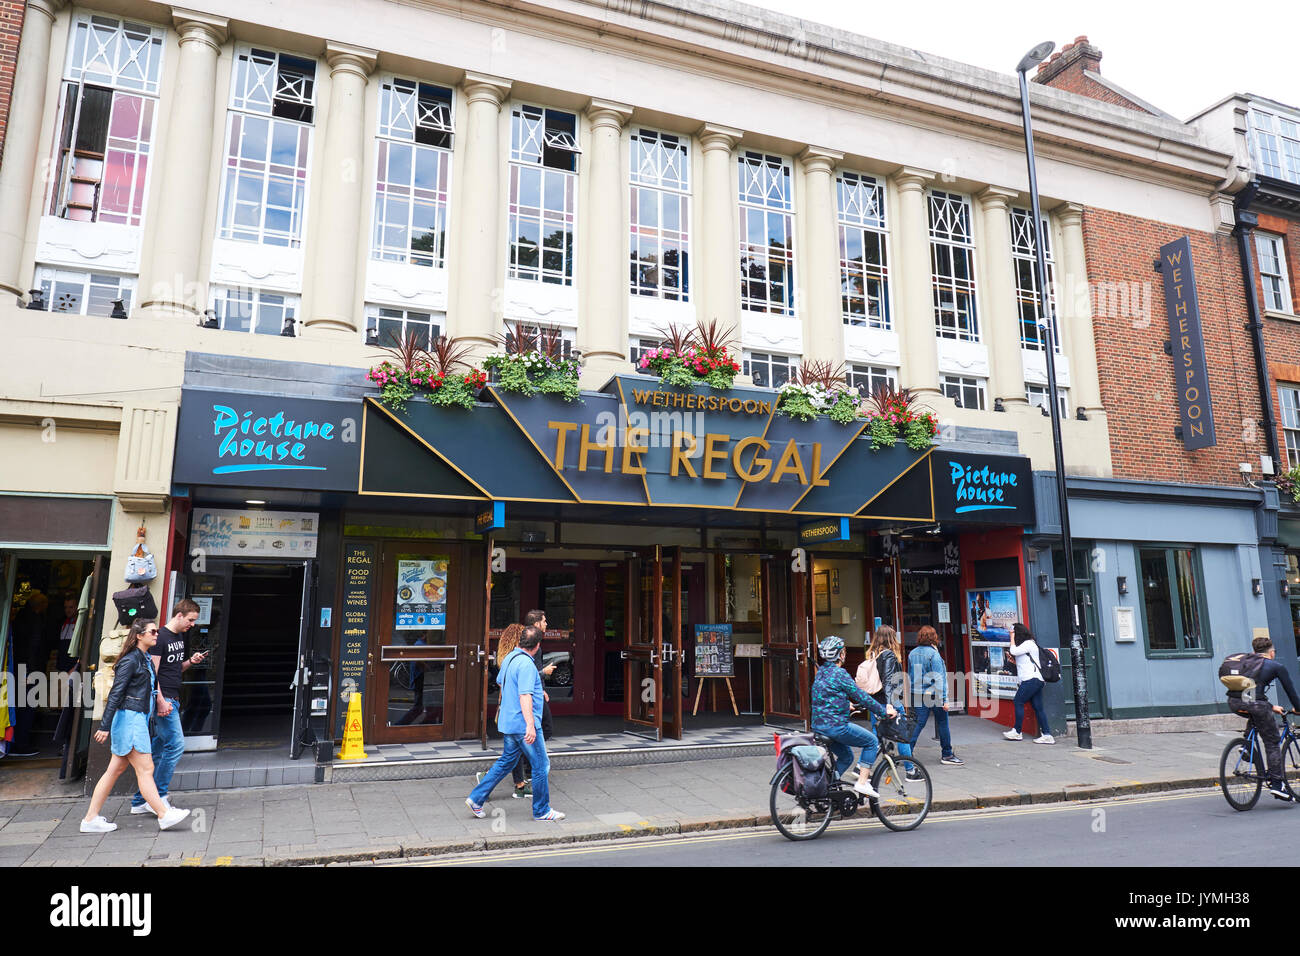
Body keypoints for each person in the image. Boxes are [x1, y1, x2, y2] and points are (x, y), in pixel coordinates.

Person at [81, 620, 191, 833]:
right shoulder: (131, 660)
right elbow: (116, 693)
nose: (156, 634)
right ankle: (164, 814)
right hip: (130, 719)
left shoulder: (145, 658)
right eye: (152, 631)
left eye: (157, 631)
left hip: (135, 719)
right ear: (139, 635)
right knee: (146, 768)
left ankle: (90, 818)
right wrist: (104, 726)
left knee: (114, 770)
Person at [466, 625, 566, 822]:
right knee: (541, 765)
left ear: (520, 641)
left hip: (509, 722)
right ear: (537, 645)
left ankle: (476, 799)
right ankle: (542, 811)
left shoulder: (510, 658)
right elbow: (525, 696)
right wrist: (530, 724)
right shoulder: (527, 665)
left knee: (506, 762)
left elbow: (503, 683)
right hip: (523, 725)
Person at [129, 599, 206, 816]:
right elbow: (152, 673)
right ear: (179, 615)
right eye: (190, 619)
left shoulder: (179, 638)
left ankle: (140, 800)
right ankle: (159, 797)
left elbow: (173, 669)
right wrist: (161, 701)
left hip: (172, 696)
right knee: (176, 745)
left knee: (160, 748)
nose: (192, 624)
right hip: (165, 699)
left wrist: (191, 661)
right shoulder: (160, 637)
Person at [812, 635, 894, 798]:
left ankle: (827, 787)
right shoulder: (840, 673)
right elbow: (861, 696)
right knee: (871, 741)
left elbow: (823, 696)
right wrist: (883, 711)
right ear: (840, 654)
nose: (845, 653)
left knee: (847, 756)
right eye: (843, 651)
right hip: (836, 727)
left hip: (818, 726)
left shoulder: (821, 672)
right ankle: (862, 783)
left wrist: (843, 704)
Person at [1228, 635, 1300, 801]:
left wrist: (1271, 707)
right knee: (1272, 740)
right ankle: (1277, 784)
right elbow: (1291, 692)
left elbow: (1251, 692)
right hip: (1254, 703)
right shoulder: (1275, 666)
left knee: (1256, 713)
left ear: (1255, 651)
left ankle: (1247, 746)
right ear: (1272, 652)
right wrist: (1298, 708)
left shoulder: (1247, 662)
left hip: (1234, 702)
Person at [857, 625, 916, 778]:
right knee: (902, 734)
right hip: (889, 702)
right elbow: (889, 682)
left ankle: (859, 767)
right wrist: (891, 704)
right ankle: (910, 771)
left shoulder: (872, 654)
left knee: (876, 736)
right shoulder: (888, 655)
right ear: (891, 638)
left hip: (875, 701)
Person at [907, 626, 963, 765]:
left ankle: (906, 753)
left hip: (917, 693)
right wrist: (945, 699)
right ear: (934, 638)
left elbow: (909, 675)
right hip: (933, 694)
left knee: (917, 724)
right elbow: (939, 679)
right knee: (943, 722)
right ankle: (947, 755)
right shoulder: (934, 655)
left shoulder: (912, 653)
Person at [1003, 623, 1054, 744]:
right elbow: (1026, 662)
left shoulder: (1028, 643)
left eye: (1014, 633)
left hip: (1031, 680)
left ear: (1018, 633)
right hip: (1035, 679)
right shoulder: (1029, 644)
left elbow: (1013, 650)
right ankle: (1047, 735)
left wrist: (1011, 636)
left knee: (1018, 701)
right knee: (1038, 707)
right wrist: (1014, 662)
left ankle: (1017, 731)